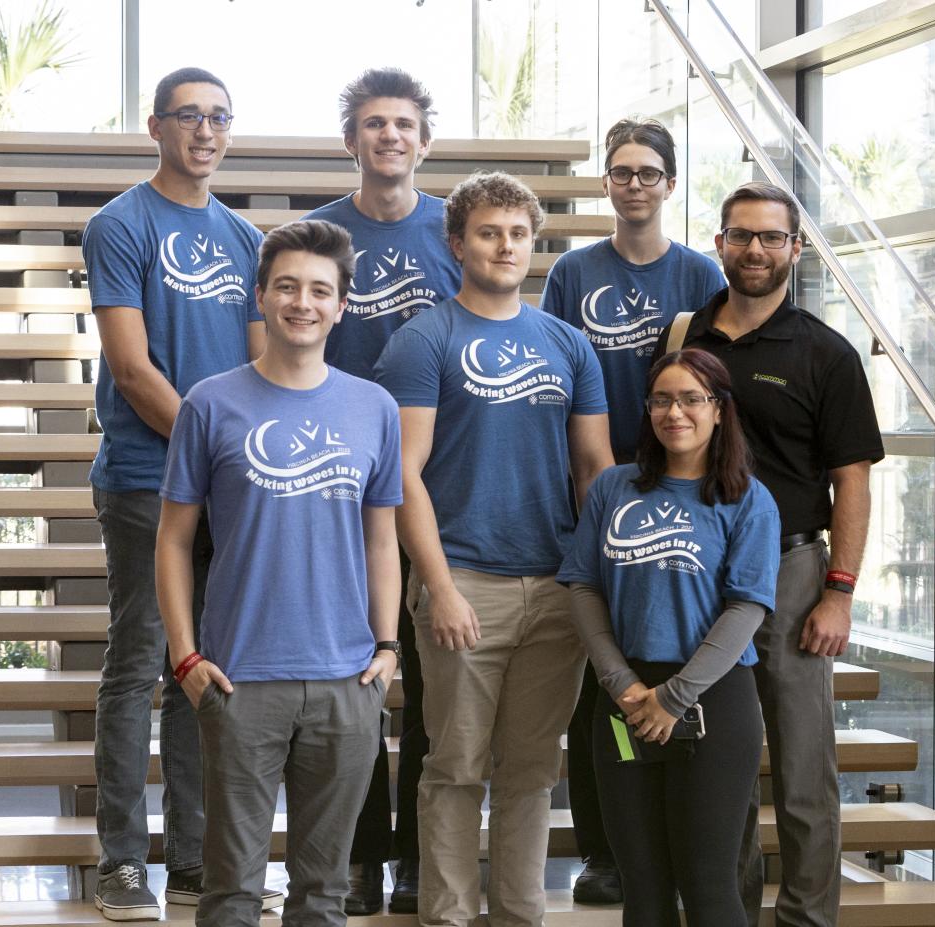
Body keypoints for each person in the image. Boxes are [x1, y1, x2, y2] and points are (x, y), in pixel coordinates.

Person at [374, 172, 614, 927]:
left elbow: (594, 471)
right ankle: (447, 916)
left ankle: (519, 915)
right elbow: (402, 472)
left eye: (517, 233)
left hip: (554, 586)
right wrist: (437, 586)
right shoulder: (423, 339)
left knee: (533, 773)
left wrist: (599, 584)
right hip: (463, 579)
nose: (504, 245)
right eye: (487, 232)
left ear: (533, 244)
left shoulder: (568, 344)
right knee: (453, 768)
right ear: (458, 244)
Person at [156, 219, 403, 927]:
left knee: (324, 891)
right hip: (239, 679)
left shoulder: (373, 407)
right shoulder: (210, 403)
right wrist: (186, 657)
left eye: (320, 289)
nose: (303, 302)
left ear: (341, 305)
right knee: (231, 890)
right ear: (260, 295)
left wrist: (387, 649)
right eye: (288, 286)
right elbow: (173, 542)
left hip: (347, 681)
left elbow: (381, 539)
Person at [652, 181, 883, 927]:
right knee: (719, 762)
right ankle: (729, 913)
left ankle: (808, 917)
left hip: (789, 574)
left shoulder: (826, 352)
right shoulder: (684, 340)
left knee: (803, 764)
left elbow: (852, 481)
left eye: (770, 237)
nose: (755, 249)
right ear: (718, 243)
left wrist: (839, 591)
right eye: (740, 235)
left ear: (795, 248)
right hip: (694, 572)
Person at [82, 67, 274, 920]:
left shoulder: (245, 237)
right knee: (138, 664)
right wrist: (213, 451)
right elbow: (131, 368)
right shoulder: (119, 225)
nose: (205, 129)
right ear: (154, 127)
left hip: (224, 484)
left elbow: (265, 364)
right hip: (144, 479)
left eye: (219, 117)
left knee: (204, 668)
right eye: (189, 116)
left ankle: (198, 861)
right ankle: (122, 862)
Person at [541, 116, 725, 904]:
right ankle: (608, 849)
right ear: (607, 182)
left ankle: (681, 841)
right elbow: (550, 385)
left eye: (649, 172)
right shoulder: (574, 274)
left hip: (679, 492)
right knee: (599, 683)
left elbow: (715, 386)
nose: (634, 184)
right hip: (595, 494)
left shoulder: (701, 274)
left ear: (670, 183)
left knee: (672, 664)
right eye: (621, 172)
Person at [304, 67, 461, 916]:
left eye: (403, 123)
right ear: (351, 140)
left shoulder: (456, 229)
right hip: (338, 481)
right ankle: (361, 856)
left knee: (434, 684)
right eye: (372, 123)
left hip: (441, 485)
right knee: (358, 678)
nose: (389, 136)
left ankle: (416, 859)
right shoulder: (321, 233)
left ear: (424, 141)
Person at [558, 348, 781, 926]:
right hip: (623, 704)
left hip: (712, 701)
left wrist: (675, 697)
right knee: (644, 889)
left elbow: (746, 607)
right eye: (661, 399)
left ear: (719, 410)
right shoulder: (613, 488)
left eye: (690, 399)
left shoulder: (748, 500)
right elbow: (582, 587)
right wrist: (623, 684)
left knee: (708, 887)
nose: (674, 412)